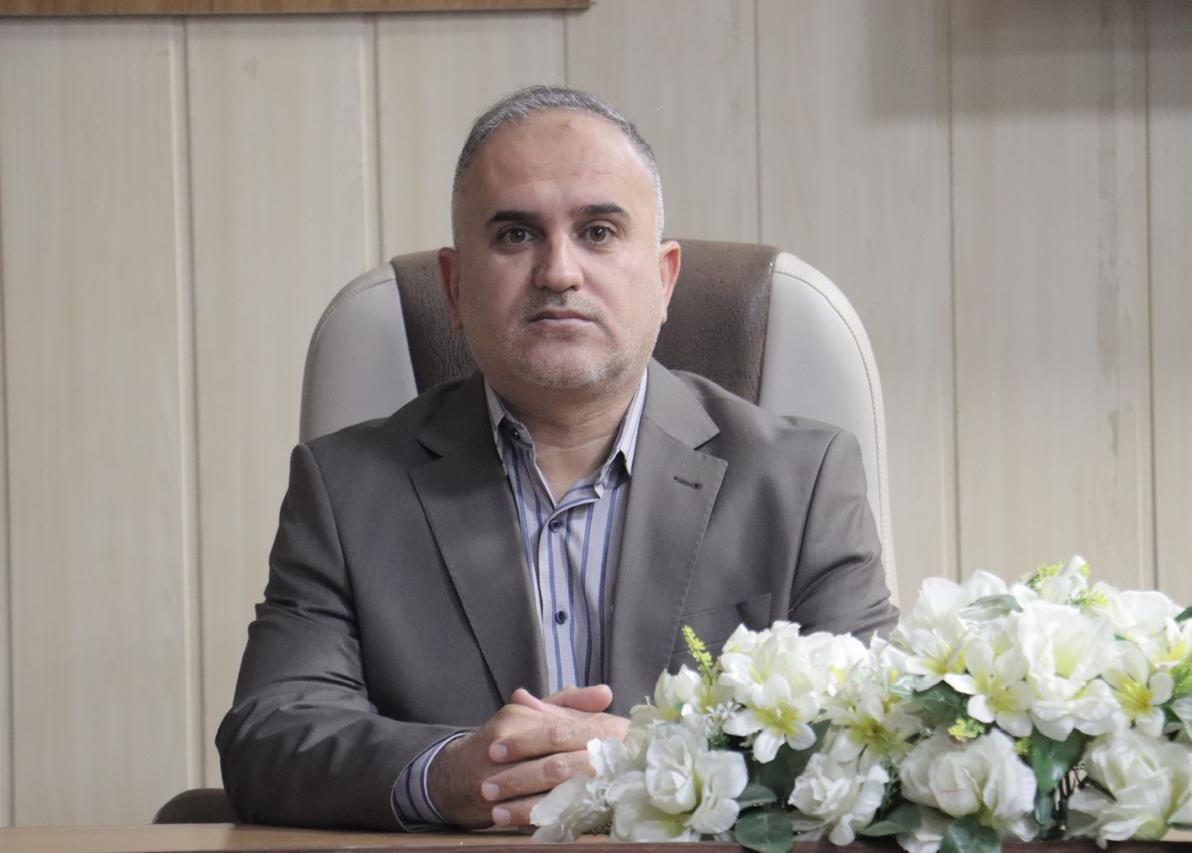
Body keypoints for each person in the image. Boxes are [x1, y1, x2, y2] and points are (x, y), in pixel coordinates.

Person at [216, 85, 897, 832]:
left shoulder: (801, 480)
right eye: (516, 235)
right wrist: (447, 773)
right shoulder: (346, 488)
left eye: (599, 231)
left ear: (664, 278)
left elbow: (871, 745)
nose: (559, 272)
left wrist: (649, 760)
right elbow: (270, 736)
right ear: (455, 287)